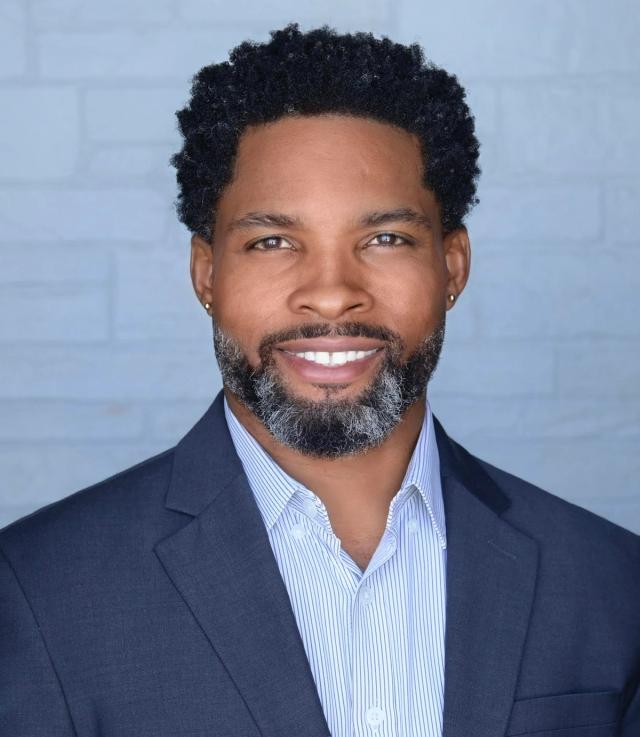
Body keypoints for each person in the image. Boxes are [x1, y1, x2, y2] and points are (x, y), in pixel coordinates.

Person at [1, 22, 638, 737]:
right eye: (273, 241)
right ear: (206, 272)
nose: (332, 293)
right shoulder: (35, 589)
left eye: (385, 239)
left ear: (452, 267)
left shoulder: (609, 583)